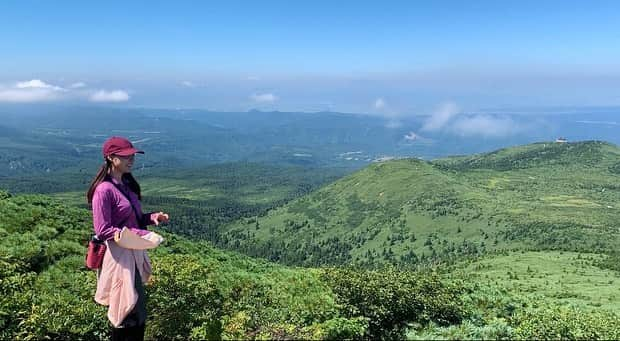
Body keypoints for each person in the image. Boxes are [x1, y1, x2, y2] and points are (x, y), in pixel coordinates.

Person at [86, 136, 169, 341]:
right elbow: (103, 229)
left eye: (132, 155)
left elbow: (134, 219)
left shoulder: (125, 184)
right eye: (125, 156)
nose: (131, 159)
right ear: (110, 158)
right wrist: (143, 234)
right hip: (118, 258)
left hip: (132, 254)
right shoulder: (103, 191)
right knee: (125, 310)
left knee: (136, 308)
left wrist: (152, 218)